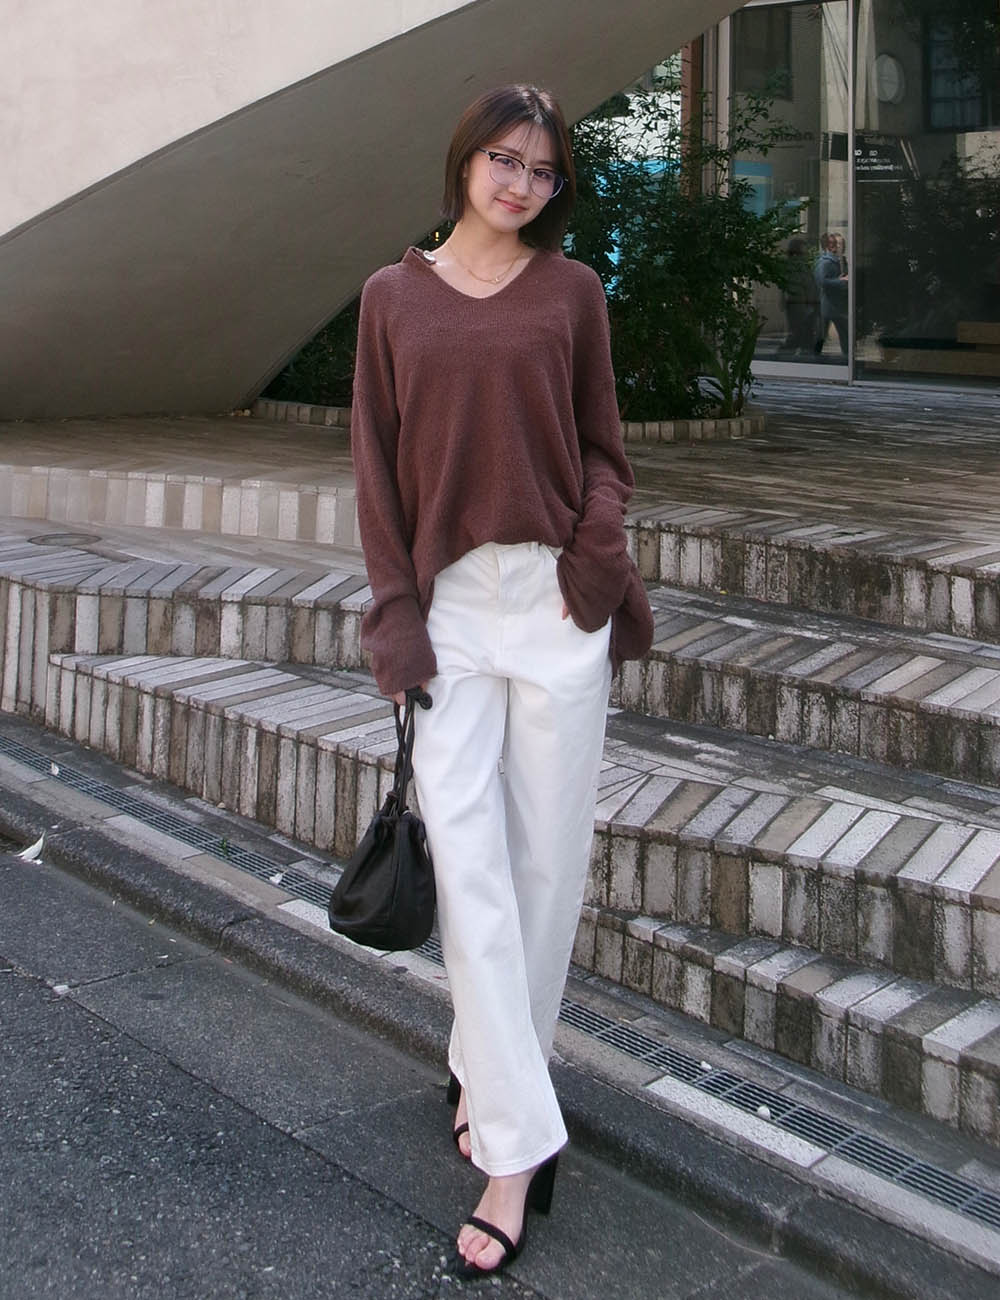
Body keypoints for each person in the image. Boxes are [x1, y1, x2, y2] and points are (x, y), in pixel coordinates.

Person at [350, 84, 653, 1278]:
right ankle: (520, 1150)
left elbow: (604, 451)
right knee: (469, 865)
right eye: (503, 159)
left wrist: (595, 565)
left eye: (542, 169)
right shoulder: (391, 298)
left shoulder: (572, 293)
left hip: (556, 600)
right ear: (464, 162)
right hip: (452, 613)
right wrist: (396, 620)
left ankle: (492, 1090)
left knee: (542, 868)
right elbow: (377, 474)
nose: (521, 183)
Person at [778, 236, 820, 356]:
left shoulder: (789, 264)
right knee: (801, 330)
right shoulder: (799, 265)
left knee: (798, 329)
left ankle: (796, 351)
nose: (807, 252)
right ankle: (795, 351)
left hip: (795, 302)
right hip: (800, 302)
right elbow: (808, 285)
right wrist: (812, 302)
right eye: (804, 248)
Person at [814, 231, 849, 357]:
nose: (840, 246)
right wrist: (841, 281)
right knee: (822, 334)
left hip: (839, 303)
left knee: (844, 333)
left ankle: (847, 357)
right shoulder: (825, 262)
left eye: (841, 244)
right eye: (837, 244)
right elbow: (822, 281)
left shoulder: (842, 261)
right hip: (830, 305)